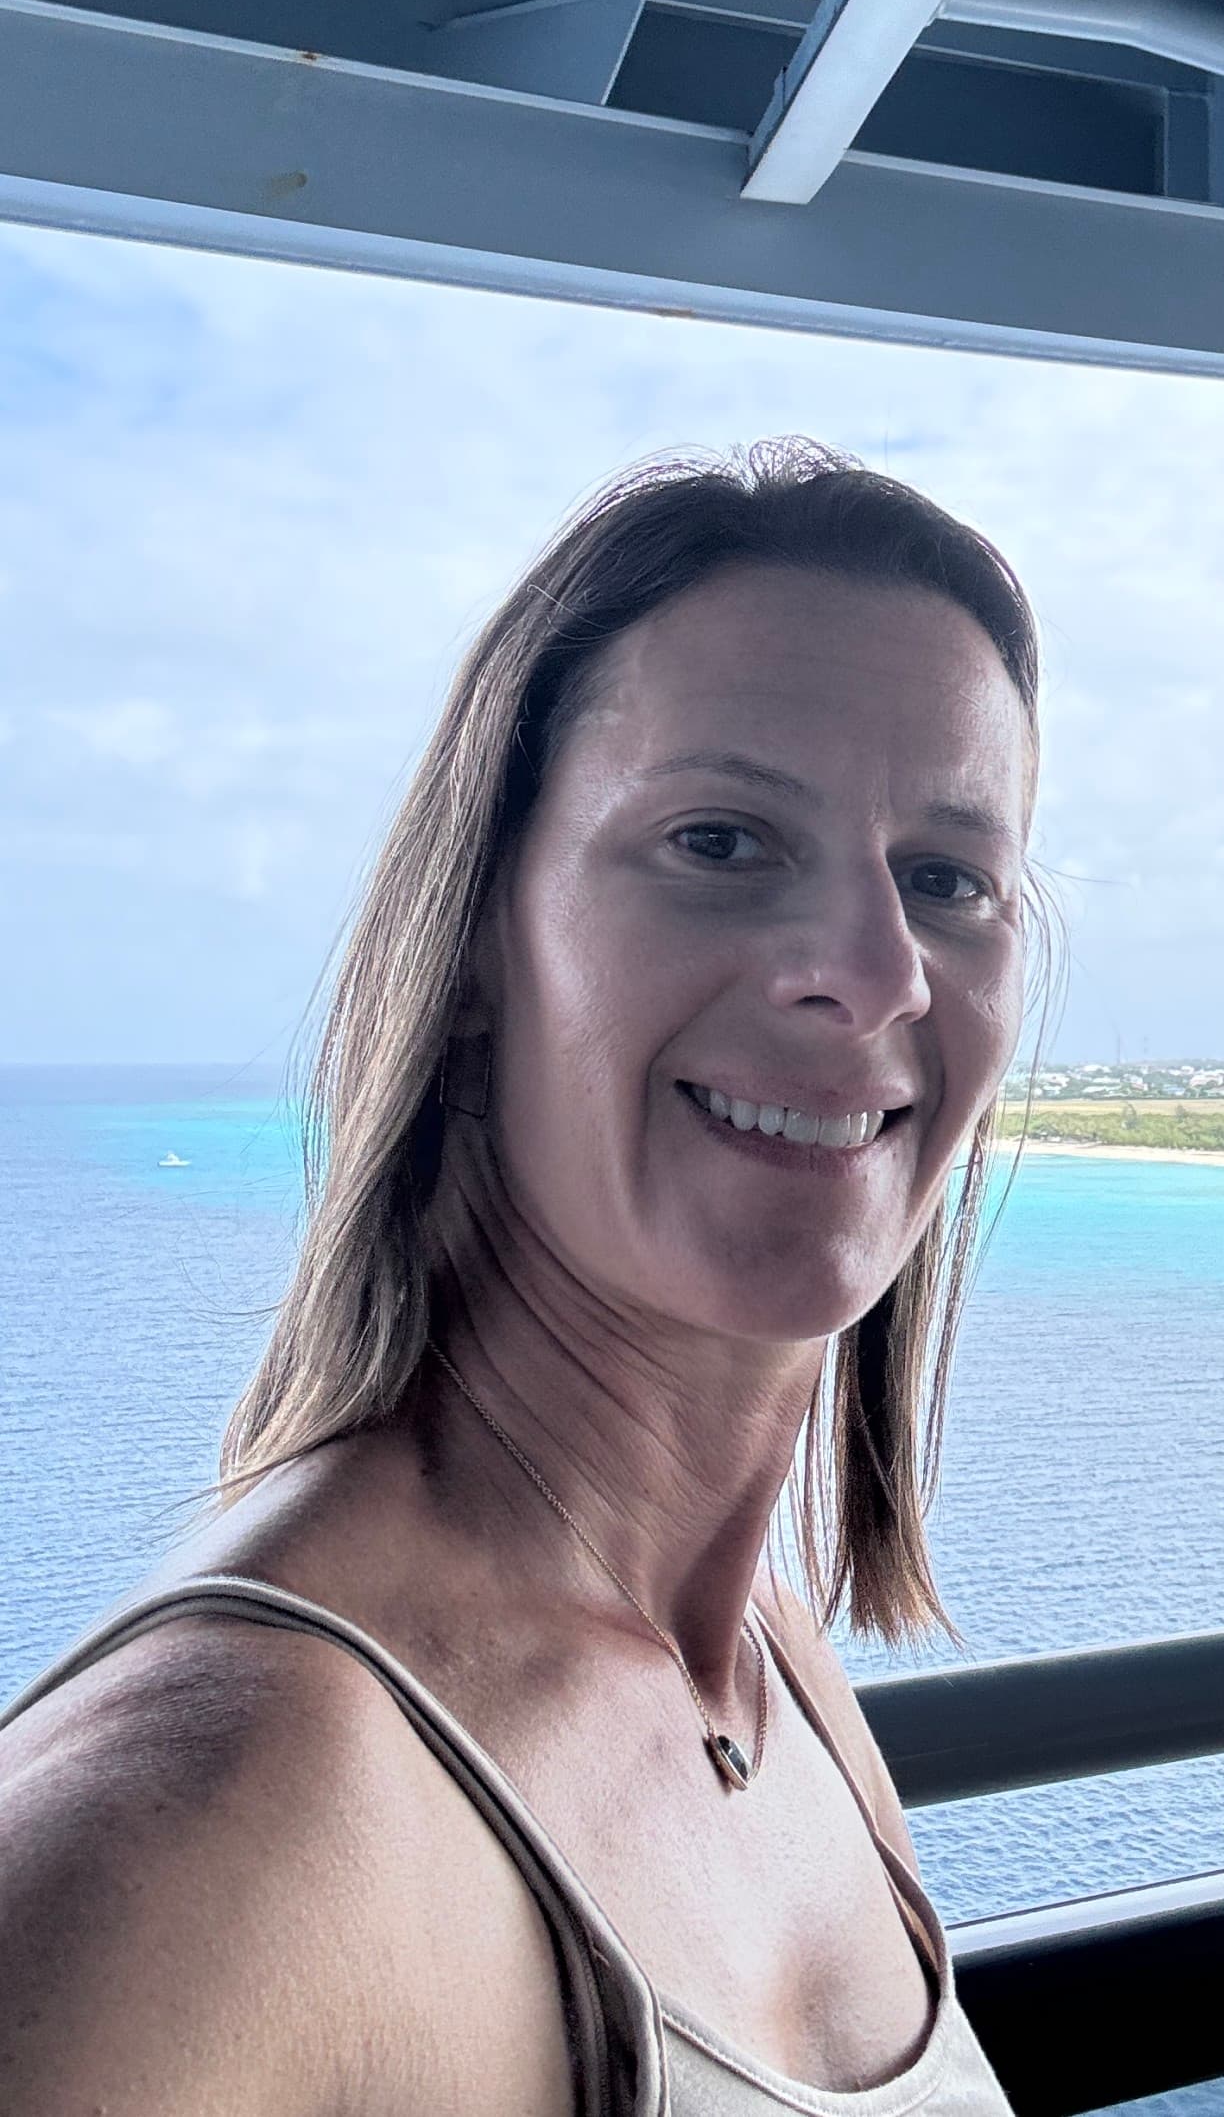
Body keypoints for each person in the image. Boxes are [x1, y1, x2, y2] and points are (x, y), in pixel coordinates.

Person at [0, 442, 1039, 2117]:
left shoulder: (762, 1667)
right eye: (720, 840)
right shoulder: (223, 1806)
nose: (868, 973)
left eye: (948, 880)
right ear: (482, 938)